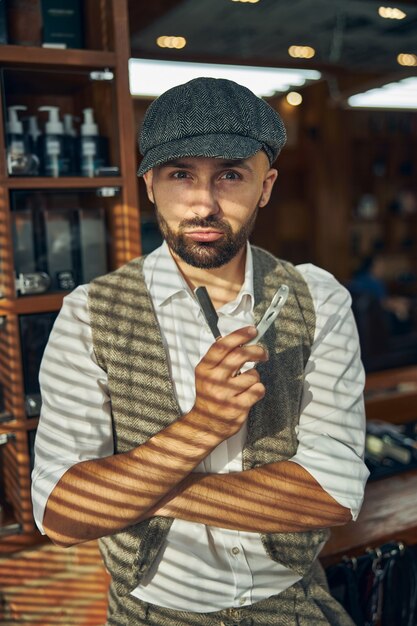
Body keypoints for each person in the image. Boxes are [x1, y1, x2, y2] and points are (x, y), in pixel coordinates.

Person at [32, 77, 369, 626]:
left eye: (230, 175)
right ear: (149, 184)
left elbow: (331, 497)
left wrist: (136, 491)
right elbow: (64, 517)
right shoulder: (89, 312)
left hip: (293, 601)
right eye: (180, 174)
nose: (203, 203)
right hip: (151, 611)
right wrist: (202, 425)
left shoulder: (317, 297)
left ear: (266, 185)